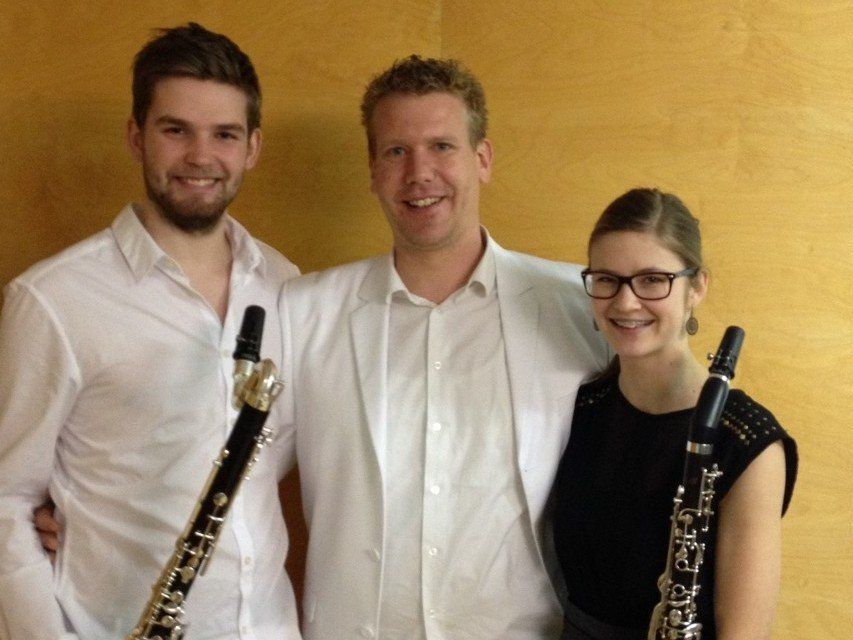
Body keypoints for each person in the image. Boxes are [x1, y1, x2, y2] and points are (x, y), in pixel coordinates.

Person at [273, 55, 610, 640]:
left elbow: (650, 451)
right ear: (372, 170)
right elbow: (232, 466)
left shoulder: (578, 306)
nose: (419, 173)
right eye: (396, 152)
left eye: (442, 147)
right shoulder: (302, 312)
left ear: (483, 159)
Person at [0, 23, 301, 640]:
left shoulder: (287, 285)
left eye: (224, 134)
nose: (200, 157)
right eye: (175, 130)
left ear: (253, 148)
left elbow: (281, 453)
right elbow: (5, 500)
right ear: (137, 137)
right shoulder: (53, 299)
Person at [551, 188, 798, 640]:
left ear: (696, 287)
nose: (625, 303)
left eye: (652, 280)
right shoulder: (579, 408)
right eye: (607, 279)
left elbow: (743, 632)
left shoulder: (747, 443)